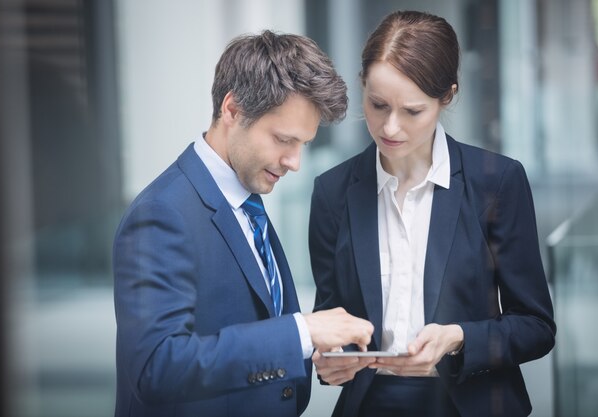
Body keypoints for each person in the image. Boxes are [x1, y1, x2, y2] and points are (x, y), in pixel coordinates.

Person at [113, 30, 374, 417]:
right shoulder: (163, 214)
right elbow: (156, 367)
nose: (294, 162)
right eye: (283, 139)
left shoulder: (245, 196)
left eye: (303, 143)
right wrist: (300, 333)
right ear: (232, 110)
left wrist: (312, 352)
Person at [308, 10, 556, 417]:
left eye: (412, 111)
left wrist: (458, 337)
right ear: (362, 88)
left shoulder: (497, 182)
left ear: (448, 96)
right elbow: (331, 316)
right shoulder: (332, 192)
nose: (390, 128)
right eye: (377, 104)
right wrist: (332, 356)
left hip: (471, 402)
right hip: (371, 404)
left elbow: (536, 328)